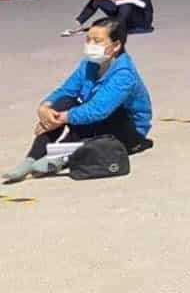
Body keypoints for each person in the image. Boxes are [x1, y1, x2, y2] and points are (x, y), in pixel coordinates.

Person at [2, 18, 153, 182]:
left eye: (97, 41)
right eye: (88, 40)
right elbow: (67, 90)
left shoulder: (124, 74)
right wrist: (45, 108)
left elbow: (98, 110)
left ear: (116, 45)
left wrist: (62, 119)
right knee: (64, 102)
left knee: (101, 116)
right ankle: (31, 159)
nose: (90, 45)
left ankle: (63, 156)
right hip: (95, 120)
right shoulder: (89, 64)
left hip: (126, 129)